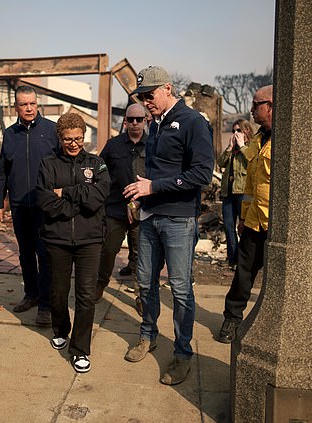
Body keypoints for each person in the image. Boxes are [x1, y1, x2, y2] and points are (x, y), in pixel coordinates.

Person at [122, 66, 214, 385]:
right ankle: (148, 336)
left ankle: (183, 353)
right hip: (150, 215)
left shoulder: (193, 123)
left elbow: (201, 174)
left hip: (177, 218)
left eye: (150, 95)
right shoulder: (155, 125)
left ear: (168, 89)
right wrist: (141, 195)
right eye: (142, 97)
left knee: (180, 288)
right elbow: (153, 173)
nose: (146, 101)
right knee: (145, 282)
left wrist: (154, 187)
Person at [36, 113, 110, 373]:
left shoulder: (97, 163)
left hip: (90, 240)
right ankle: (60, 329)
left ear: (84, 136)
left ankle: (80, 350)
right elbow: (45, 201)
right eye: (68, 139)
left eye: (78, 138)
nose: (74, 143)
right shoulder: (47, 164)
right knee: (57, 291)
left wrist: (66, 193)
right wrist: (77, 205)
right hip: (57, 238)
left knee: (86, 296)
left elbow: (98, 197)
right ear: (60, 138)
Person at [0, 86, 58, 327]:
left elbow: (62, 166)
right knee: (25, 253)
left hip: (45, 205)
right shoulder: (9, 134)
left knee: (45, 254)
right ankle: (31, 294)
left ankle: (45, 305)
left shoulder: (52, 131)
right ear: (16, 107)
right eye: (23, 104)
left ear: (37, 103)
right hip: (19, 205)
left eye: (32, 103)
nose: (29, 108)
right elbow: (2, 172)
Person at [215, 85, 273, 344]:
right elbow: (251, 186)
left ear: (270, 106)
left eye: (256, 105)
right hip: (254, 223)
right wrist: (243, 218)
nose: (252, 110)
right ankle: (232, 318)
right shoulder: (259, 142)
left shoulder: (289, 140)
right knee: (243, 272)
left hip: (278, 225)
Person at [95, 104, 147, 312]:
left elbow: (160, 174)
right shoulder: (113, 145)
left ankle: (142, 295)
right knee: (108, 249)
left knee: (142, 254)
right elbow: (99, 167)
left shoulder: (154, 145)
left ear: (146, 121)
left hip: (143, 210)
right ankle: (100, 284)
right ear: (125, 121)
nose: (135, 123)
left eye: (139, 119)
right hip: (115, 209)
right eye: (131, 119)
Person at [216, 118, 253, 269]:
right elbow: (220, 162)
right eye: (233, 131)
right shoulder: (232, 150)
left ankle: (244, 260)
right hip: (228, 193)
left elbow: (252, 161)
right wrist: (229, 148)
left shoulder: (250, 147)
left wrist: (242, 146)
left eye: (239, 130)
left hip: (242, 192)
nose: (235, 134)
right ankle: (233, 259)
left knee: (243, 227)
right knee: (228, 226)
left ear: (246, 132)